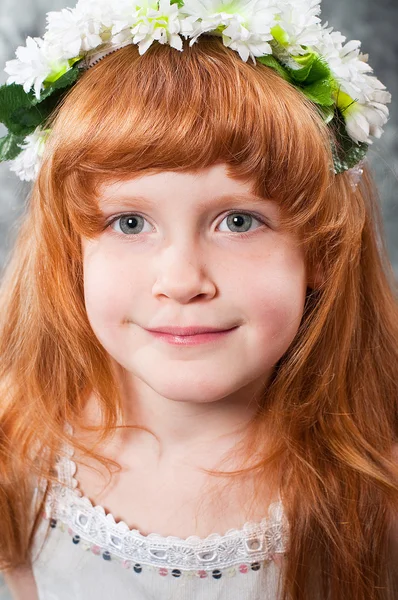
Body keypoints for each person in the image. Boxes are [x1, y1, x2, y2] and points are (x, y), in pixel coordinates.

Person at [0, 1, 397, 599]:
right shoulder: (15, 465)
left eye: (238, 221)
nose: (182, 280)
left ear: (320, 248)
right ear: (70, 252)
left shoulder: (377, 500)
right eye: (130, 223)